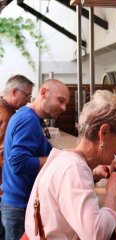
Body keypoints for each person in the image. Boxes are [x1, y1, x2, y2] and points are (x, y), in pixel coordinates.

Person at [23, 90, 116, 240]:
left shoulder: (66, 159)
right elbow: (95, 235)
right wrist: (112, 194)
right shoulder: (74, 169)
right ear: (104, 133)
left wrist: (92, 176)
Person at [1, 79, 70, 240]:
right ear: (44, 93)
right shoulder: (28, 120)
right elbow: (18, 163)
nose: (64, 108)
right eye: (61, 101)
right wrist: (56, 160)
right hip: (19, 206)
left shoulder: (31, 118)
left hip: (16, 202)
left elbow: (49, 151)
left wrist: (72, 156)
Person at [0, 74, 34, 240]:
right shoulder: (6, 116)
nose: (28, 101)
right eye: (26, 95)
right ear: (14, 91)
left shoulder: (9, 111)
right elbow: (8, 156)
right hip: (7, 189)